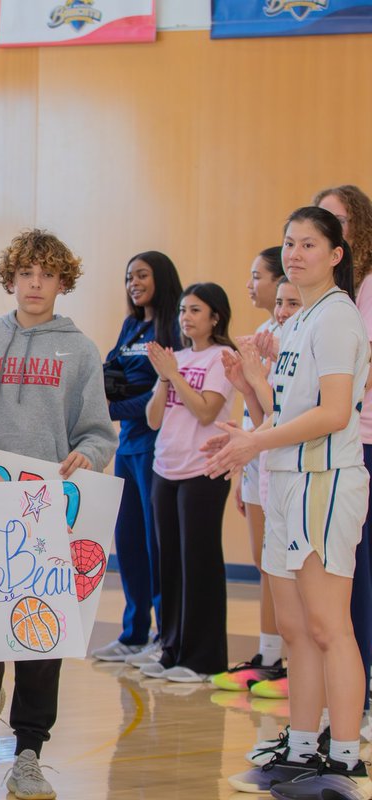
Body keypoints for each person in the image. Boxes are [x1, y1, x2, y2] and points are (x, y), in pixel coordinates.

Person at [213, 206, 372, 799]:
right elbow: (282, 416)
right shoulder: (298, 320)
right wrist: (251, 387)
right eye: (289, 243)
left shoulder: (337, 319)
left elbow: (333, 415)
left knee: (331, 627)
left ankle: (346, 757)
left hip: (325, 484)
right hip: (284, 481)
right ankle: (302, 746)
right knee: (298, 630)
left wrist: (254, 438)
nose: (296, 253)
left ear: (336, 254)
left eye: (310, 243)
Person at [0, 230, 117, 799]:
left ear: (62, 282)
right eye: (26, 273)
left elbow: (97, 431)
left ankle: (28, 751)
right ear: (11, 279)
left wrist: (91, 453)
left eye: (47, 275)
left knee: (40, 636)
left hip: (50, 512)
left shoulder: (79, 351)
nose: (35, 284)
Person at [90, 252, 184, 665]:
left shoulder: (172, 328)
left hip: (155, 446)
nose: (133, 283)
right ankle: (133, 633)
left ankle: (165, 635)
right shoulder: (132, 326)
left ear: (161, 278)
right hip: (126, 446)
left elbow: (164, 390)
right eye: (128, 276)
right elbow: (111, 374)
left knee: (154, 543)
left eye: (142, 275)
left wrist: (114, 409)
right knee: (127, 541)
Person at [142, 282, 236, 683]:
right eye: (183, 309)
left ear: (215, 316)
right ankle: (173, 649)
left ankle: (203, 659)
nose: (186, 317)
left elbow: (204, 412)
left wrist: (174, 375)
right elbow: (152, 419)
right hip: (166, 468)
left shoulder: (223, 358)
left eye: (195, 310)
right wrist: (164, 379)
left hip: (204, 471)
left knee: (199, 564)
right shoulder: (174, 359)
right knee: (170, 565)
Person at [211, 247, 288, 696]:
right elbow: (251, 409)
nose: (250, 285)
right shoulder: (260, 331)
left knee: (285, 566)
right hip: (256, 458)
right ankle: (269, 655)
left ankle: (290, 662)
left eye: (257, 276)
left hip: (284, 459)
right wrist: (241, 471)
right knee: (265, 563)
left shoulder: (296, 336)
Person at [315, 184, 372, 728]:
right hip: (335, 445)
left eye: (338, 219)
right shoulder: (333, 296)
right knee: (340, 586)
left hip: (360, 441)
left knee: (358, 579)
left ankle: (361, 701)